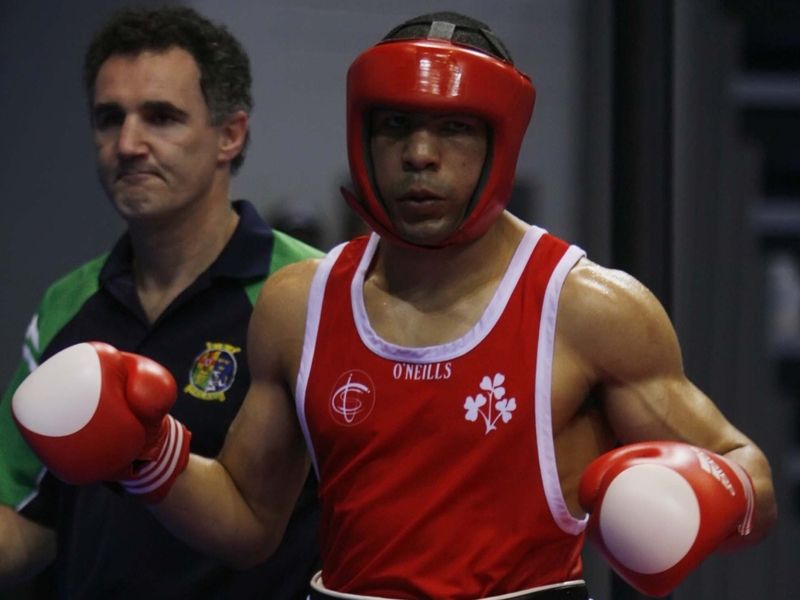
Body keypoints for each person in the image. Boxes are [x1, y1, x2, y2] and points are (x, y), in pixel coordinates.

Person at [10, 11, 777, 600]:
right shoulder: (298, 304)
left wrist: (704, 495)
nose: (419, 154)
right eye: (396, 126)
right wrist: (150, 456)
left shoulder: (586, 308)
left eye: (453, 128)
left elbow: (749, 473)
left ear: (500, 145)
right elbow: (248, 521)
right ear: (363, 137)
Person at [0, 6, 322, 600]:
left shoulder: (308, 290)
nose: (127, 144)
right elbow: (25, 518)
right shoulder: (67, 303)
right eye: (108, 118)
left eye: (161, 117)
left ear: (230, 134)